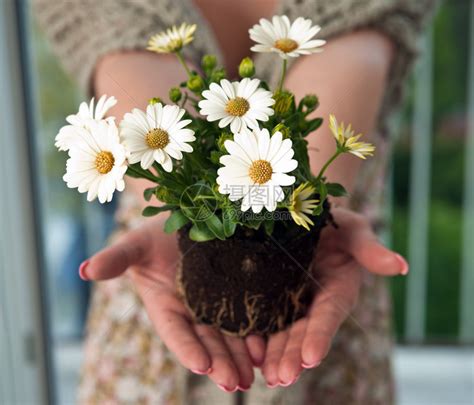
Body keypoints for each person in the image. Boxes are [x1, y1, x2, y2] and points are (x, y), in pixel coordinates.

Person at [34, 0, 435, 403]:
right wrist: (183, 204)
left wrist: (306, 208)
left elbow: (356, 37)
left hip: (324, 296)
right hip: (157, 302)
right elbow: (126, 50)